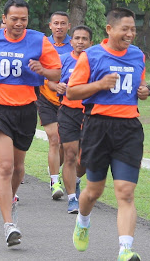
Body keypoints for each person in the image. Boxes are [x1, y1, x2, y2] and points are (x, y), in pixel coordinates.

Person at [0, 0, 61, 247]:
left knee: (19, 167)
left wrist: (42, 71)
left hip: (25, 109)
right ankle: (8, 224)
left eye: (23, 19)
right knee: (6, 165)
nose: (19, 23)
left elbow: (57, 72)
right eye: (14, 19)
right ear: (4, 19)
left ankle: (10, 199)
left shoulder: (39, 40)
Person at [67, 7, 149, 261]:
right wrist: (99, 85)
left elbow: (139, 86)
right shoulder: (92, 56)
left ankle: (125, 249)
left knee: (125, 191)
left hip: (128, 127)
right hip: (98, 126)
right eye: (125, 29)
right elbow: (71, 92)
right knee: (94, 191)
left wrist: (143, 91)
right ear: (109, 29)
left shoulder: (138, 56)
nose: (130, 34)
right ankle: (83, 221)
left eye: (133, 29)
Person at [54, 25, 92, 214]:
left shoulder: (95, 61)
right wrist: (57, 86)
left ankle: (76, 180)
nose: (80, 42)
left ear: (90, 43)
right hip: (68, 111)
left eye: (84, 39)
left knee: (85, 158)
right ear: (71, 42)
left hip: (90, 114)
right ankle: (71, 199)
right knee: (69, 154)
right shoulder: (63, 60)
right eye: (77, 38)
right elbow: (50, 79)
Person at [37, 11, 73, 199]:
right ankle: (54, 181)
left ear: (68, 26)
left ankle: (63, 173)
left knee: (67, 145)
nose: (59, 27)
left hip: (68, 101)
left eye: (63, 23)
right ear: (50, 25)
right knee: (54, 139)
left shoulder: (74, 46)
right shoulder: (43, 44)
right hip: (46, 98)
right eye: (56, 23)